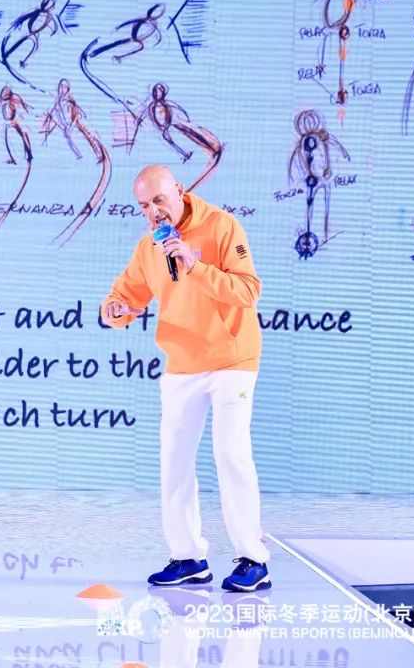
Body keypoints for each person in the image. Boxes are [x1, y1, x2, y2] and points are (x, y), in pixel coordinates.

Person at [101, 164, 270, 592]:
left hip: (232, 358)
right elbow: (125, 296)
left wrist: (195, 266)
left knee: (230, 453)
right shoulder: (149, 248)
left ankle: (253, 559)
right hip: (182, 363)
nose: (153, 212)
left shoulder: (222, 226)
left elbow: (249, 290)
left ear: (178, 190)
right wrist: (115, 311)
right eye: (144, 205)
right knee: (174, 460)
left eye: (159, 200)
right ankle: (188, 557)